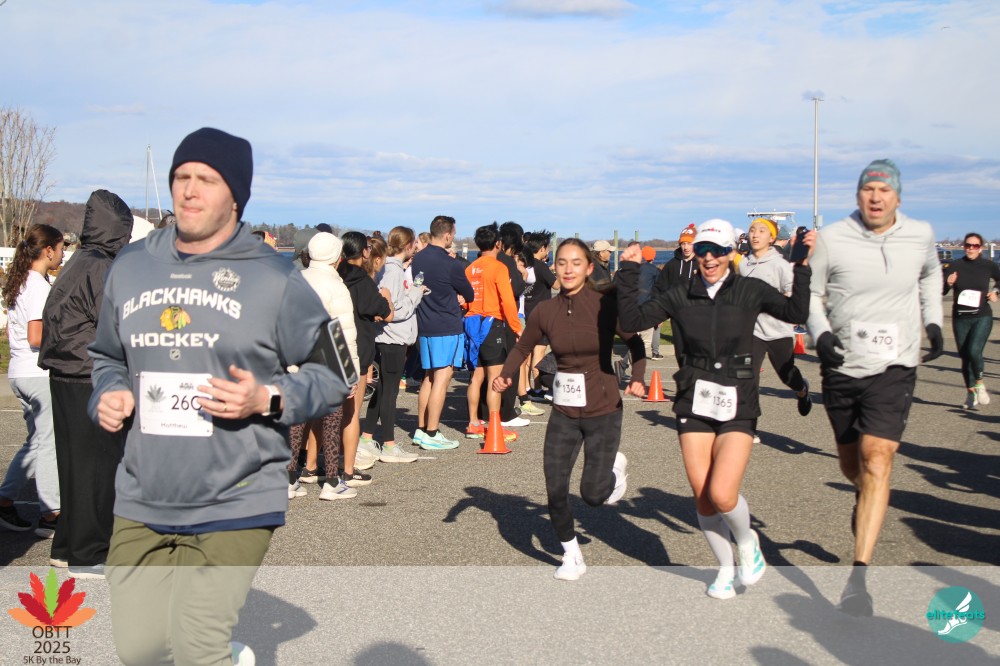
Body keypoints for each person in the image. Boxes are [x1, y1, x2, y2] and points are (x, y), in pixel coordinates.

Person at [88, 127, 349, 665]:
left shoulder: (275, 277)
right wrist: (109, 392)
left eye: (206, 180)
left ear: (236, 197)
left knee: (197, 646)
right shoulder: (131, 267)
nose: (189, 190)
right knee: (139, 651)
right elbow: (107, 356)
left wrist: (267, 397)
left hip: (238, 494)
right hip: (143, 493)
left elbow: (336, 374)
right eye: (181, 177)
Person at [616, 218, 814, 600]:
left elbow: (795, 311)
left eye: (718, 251)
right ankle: (725, 567)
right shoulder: (681, 294)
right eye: (704, 250)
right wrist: (627, 273)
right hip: (694, 398)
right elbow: (632, 321)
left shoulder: (749, 290)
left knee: (723, 493)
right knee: (703, 497)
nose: (709, 258)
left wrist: (801, 266)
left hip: (738, 399)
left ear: (730, 253)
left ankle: (748, 542)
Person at [807, 158, 943, 617]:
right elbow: (811, 294)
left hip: (895, 364)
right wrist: (821, 333)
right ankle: (867, 495)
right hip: (842, 365)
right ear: (858, 195)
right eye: (869, 189)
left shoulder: (920, 234)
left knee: (878, 456)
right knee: (854, 465)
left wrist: (933, 321)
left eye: (885, 190)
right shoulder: (833, 238)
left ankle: (859, 578)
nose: (876, 197)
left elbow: (931, 274)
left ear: (898, 197)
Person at [493, 238, 646, 580]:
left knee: (593, 495)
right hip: (564, 411)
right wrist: (505, 374)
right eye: (561, 262)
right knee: (555, 487)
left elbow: (635, 344)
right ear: (555, 267)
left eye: (576, 263)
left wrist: (637, 377)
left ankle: (614, 469)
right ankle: (571, 555)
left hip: (603, 408)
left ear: (589, 268)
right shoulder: (545, 311)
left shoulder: (604, 306)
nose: (568, 269)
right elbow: (522, 347)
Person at [38, 190, 135, 580]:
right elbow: (118, 324)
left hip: (65, 373)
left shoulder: (78, 261)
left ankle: (67, 546)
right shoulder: (102, 268)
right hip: (90, 374)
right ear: (118, 231)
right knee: (98, 467)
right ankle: (89, 552)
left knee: (75, 466)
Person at [0, 225, 64, 546]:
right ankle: (51, 513)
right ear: (48, 251)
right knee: (49, 443)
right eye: (61, 248)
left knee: (36, 442)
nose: (63, 254)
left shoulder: (20, 282)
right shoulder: (38, 286)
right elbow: (36, 336)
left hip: (18, 371)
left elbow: (13, 333)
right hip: (37, 373)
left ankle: (5, 500)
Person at [288, 232, 359, 501]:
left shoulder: (295, 280)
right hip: (329, 360)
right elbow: (345, 334)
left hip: (297, 358)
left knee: (296, 421)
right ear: (336, 258)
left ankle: (289, 479)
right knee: (331, 420)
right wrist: (351, 373)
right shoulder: (336, 287)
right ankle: (331, 481)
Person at [360, 226, 426, 462]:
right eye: (414, 243)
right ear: (407, 245)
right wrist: (416, 294)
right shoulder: (393, 271)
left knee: (382, 390)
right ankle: (389, 445)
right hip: (393, 337)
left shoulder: (390, 268)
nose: (415, 247)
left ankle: (367, 437)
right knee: (390, 392)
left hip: (388, 337)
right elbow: (393, 310)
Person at [738, 217, 812, 421]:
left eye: (761, 231)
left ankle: (802, 390)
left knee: (787, 375)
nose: (755, 235)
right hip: (752, 331)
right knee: (746, 378)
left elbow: (792, 291)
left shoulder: (780, 264)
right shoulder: (743, 264)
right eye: (752, 230)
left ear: (771, 238)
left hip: (778, 331)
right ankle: (748, 426)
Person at [410, 215, 474, 449]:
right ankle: (432, 432)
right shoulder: (451, 263)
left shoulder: (418, 258)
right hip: (446, 324)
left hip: (424, 323)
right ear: (447, 235)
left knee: (428, 377)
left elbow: (419, 285)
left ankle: (421, 428)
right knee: (442, 377)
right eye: (453, 234)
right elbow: (469, 293)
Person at [338, 231, 393, 486]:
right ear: (364, 252)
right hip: (357, 349)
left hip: (332, 346)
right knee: (352, 411)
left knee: (329, 412)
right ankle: (348, 466)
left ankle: (317, 461)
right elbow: (386, 313)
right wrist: (386, 297)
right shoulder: (362, 281)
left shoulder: (336, 276)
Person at [464, 223, 523, 441]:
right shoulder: (499, 267)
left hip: (471, 322)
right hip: (491, 323)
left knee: (476, 376)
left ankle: (473, 423)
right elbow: (507, 300)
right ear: (498, 243)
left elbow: (464, 299)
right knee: (494, 378)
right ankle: (495, 425)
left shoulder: (470, 268)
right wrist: (516, 327)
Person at [942, 232, 1000, 408]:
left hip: (982, 315)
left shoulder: (988, 265)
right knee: (965, 356)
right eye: (968, 245)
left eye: (975, 246)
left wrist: (996, 292)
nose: (971, 248)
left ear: (980, 248)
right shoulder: (955, 265)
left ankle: (980, 384)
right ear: (964, 246)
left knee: (974, 350)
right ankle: (970, 392)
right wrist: (948, 283)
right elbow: (942, 291)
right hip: (960, 317)